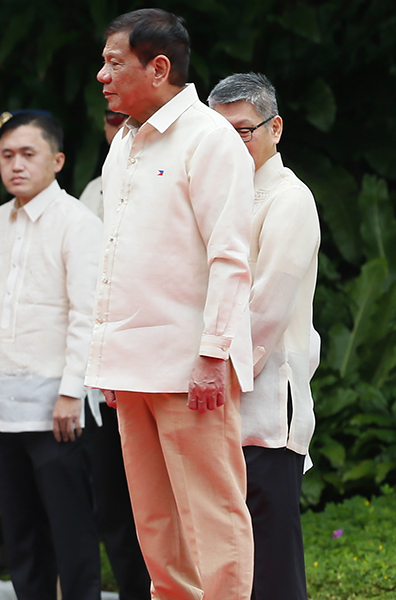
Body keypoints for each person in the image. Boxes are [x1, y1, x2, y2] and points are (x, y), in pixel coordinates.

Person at [85, 9, 255, 600]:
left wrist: (214, 355)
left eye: (114, 63)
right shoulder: (125, 141)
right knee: (155, 524)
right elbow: (117, 261)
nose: (102, 76)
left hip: (190, 366)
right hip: (131, 364)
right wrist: (107, 359)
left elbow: (231, 258)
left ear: (158, 68)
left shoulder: (210, 138)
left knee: (213, 513)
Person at [0, 110, 102, 600]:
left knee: (71, 531)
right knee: (21, 536)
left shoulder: (78, 223)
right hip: (1, 407)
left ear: (58, 159)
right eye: (7, 156)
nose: (16, 165)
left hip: (56, 408)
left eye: (28, 154)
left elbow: (86, 315)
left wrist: (71, 393)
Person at [209, 72, 320, 600]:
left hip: (264, 403)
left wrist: (214, 373)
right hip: (215, 403)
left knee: (272, 567)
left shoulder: (289, 199)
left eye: (243, 131)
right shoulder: (217, 196)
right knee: (226, 563)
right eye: (218, 132)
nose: (231, 144)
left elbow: (267, 309)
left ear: (275, 127)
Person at [79, 110, 151, 600]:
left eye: (129, 118)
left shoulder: (181, 171)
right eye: (111, 120)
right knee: (113, 505)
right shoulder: (92, 191)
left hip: (158, 368)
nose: (121, 128)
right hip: (103, 370)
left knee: (164, 506)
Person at [78, 109, 126, 220]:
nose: (124, 125)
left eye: (134, 117)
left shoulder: (163, 179)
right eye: (114, 116)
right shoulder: (93, 188)